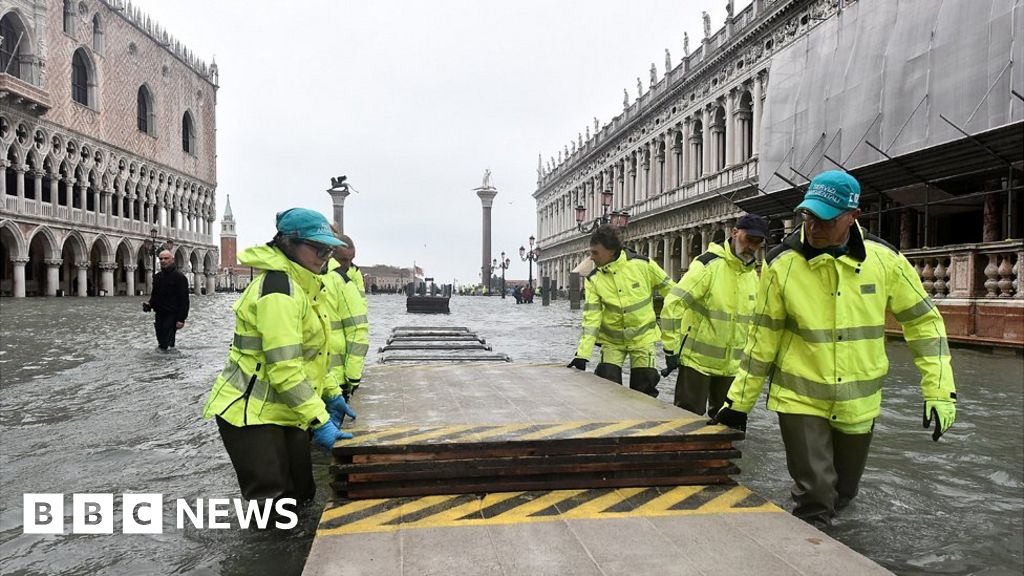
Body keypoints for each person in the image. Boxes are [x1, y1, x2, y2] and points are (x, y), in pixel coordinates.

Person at [712, 171, 957, 527]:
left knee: (844, 492)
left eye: (825, 218)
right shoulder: (781, 264)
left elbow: (924, 323)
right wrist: (738, 403)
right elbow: (761, 339)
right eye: (809, 216)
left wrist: (939, 389)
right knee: (816, 494)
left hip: (859, 402)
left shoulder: (885, 261)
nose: (813, 226)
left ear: (853, 216)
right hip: (800, 400)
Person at [202, 208, 356, 513]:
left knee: (303, 493)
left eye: (328, 249)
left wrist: (330, 392)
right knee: (275, 505)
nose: (325, 256)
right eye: (317, 248)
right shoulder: (279, 291)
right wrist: (320, 419)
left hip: (285, 410)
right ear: (288, 244)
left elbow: (313, 354)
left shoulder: (307, 286)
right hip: (251, 416)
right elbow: (285, 368)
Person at [661, 214, 768, 416]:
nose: (751, 247)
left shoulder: (752, 276)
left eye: (757, 243)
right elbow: (673, 304)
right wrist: (671, 349)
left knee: (728, 427)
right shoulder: (707, 266)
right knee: (687, 423)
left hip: (733, 367)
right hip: (696, 363)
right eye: (748, 239)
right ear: (734, 233)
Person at [568, 225, 673, 397]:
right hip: (612, 342)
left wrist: (674, 338)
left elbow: (673, 293)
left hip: (643, 341)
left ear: (612, 251)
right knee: (607, 387)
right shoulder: (593, 279)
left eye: (595, 253)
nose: (591, 258)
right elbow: (591, 319)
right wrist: (583, 354)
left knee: (644, 390)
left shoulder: (643, 265)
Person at [324, 232, 370, 400]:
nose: (348, 264)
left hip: (335, 376)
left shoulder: (344, 278)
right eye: (343, 260)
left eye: (351, 259)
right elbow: (357, 329)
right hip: (325, 375)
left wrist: (352, 376)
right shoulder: (340, 280)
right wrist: (353, 377)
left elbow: (357, 328)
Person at [144, 249, 189, 352]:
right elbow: (154, 296)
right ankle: (162, 365)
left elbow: (184, 300)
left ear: (172, 259)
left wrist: (181, 319)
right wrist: (149, 304)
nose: (163, 261)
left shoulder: (180, 277)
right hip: (159, 314)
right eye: (161, 259)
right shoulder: (157, 277)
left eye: (166, 258)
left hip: (172, 315)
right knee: (161, 343)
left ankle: (170, 366)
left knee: (168, 344)